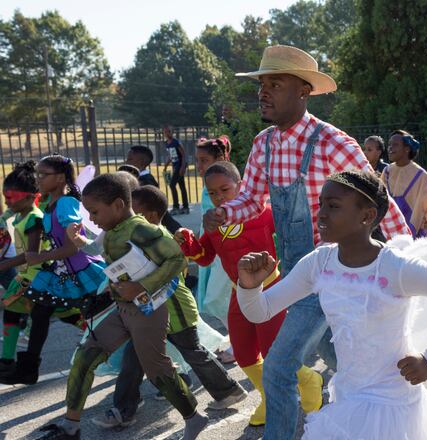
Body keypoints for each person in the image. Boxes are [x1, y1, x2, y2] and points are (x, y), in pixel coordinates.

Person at [203, 45, 411, 440]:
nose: (263, 93)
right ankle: (386, 407)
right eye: (262, 84)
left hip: (335, 271)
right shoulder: (264, 143)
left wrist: (410, 258)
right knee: (340, 358)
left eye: (275, 84)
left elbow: (379, 201)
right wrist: (225, 213)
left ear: (303, 91)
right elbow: (251, 200)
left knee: (280, 367)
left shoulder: (335, 144)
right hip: (299, 273)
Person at [235, 170, 427, 439]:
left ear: (366, 216)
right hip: (348, 396)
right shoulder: (319, 262)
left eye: (333, 206)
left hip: (392, 404)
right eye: (321, 204)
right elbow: (260, 311)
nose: (321, 214)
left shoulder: (395, 267)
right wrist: (249, 285)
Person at [38, 174, 207, 440]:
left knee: (158, 372)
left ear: (117, 205)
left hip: (148, 312)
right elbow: (97, 246)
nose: (91, 218)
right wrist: (78, 239)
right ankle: (70, 427)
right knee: (85, 356)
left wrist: (141, 286)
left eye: (94, 212)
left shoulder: (142, 229)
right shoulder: (113, 229)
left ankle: (194, 418)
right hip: (122, 310)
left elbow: (176, 259)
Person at [71, 184, 247, 430]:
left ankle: (225, 391)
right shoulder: (122, 233)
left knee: (192, 352)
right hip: (143, 312)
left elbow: (174, 270)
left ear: (150, 216)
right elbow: (103, 251)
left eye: (137, 211)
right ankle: (124, 409)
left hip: (173, 311)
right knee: (137, 360)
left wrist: (140, 286)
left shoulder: (153, 237)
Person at [175, 162, 323, 426]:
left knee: (273, 352)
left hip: (272, 288)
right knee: (243, 355)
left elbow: (297, 238)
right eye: (213, 193)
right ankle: (269, 398)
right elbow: (205, 257)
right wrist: (187, 243)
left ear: (241, 186)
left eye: (225, 189)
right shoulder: (212, 221)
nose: (220, 197)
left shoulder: (264, 213)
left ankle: (310, 380)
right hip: (239, 292)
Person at [2, 155, 107, 386]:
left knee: (106, 317)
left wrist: (40, 256)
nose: (38, 179)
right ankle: (27, 370)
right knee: (41, 313)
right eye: (37, 174)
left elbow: (71, 247)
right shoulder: (48, 204)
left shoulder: (65, 204)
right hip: (62, 272)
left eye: (43, 175)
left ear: (60, 178)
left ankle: (143, 355)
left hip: (84, 272)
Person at [193, 136, 235, 363]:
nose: (199, 166)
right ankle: (237, 336)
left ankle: (241, 342)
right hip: (212, 247)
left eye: (204, 160)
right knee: (216, 298)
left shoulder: (225, 182)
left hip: (226, 248)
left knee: (219, 298)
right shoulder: (208, 184)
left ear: (220, 158)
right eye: (197, 160)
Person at [383, 130, 427, 238]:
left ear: (407, 149)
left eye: (395, 145)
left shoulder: (421, 176)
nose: (390, 148)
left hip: (414, 234)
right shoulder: (387, 171)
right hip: (391, 231)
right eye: (389, 145)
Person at [163, 125, 189, 215]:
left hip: (180, 166)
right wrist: (166, 165)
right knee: (182, 185)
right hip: (175, 166)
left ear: (172, 132)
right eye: (165, 132)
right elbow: (171, 155)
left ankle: (176, 207)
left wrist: (182, 167)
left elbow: (183, 155)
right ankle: (185, 207)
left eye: (169, 131)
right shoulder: (167, 143)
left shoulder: (176, 142)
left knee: (172, 185)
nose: (167, 133)